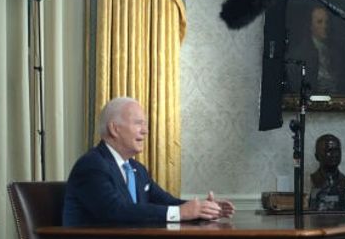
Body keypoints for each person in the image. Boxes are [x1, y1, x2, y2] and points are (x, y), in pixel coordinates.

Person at [62, 96, 235, 226]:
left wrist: (203, 209)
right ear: (114, 129)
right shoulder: (92, 165)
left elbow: (167, 202)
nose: (145, 131)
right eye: (138, 123)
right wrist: (181, 212)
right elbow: (115, 211)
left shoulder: (137, 169)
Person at [288, 5, 345, 95]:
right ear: (310, 26)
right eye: (319, 22)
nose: (325, 26)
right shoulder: (299, 54)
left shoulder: (337, 52)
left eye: (327, 22)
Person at [308, 133, 345, 211]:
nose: (334, 155)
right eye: (329, 151)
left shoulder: (342, 179)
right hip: (318, 221)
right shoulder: (315, 179)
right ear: (317, 156)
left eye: (337, 150)